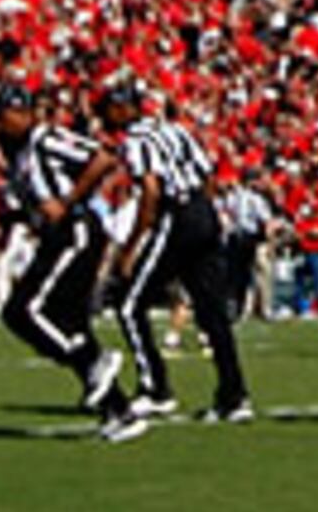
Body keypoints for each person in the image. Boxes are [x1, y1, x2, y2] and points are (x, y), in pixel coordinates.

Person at [0, 82, 147, 441]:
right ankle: (118, 411)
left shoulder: (45, 139)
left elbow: (102, 158)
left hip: (75, 233)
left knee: (23, 312)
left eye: (2, 116)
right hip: (56, 237)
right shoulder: (17, 152)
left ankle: (91, 361)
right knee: (67, 321)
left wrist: (69, 199)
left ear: (21, 112)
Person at [95, 77, 253, 423]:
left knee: (129, 303)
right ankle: (234, 394)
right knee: (211, 312)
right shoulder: (176, 130)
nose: (106, 117)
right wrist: (207, 217)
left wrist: (133, 245)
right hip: (204, 212)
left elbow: (151, 191)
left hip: (177, 216)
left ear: (124, 107)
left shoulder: (138, 140)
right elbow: (208, 175)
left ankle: (156, 389)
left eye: (109, 108)